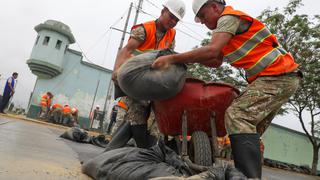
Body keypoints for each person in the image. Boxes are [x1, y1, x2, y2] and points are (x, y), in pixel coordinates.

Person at [151, 0, 301, 178]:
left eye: (203, 17)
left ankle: (245, 177)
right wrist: (186, 61)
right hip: (283, 78)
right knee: (250, 129)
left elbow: (212, 51)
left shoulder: (228, 17)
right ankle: (251, 175)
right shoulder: (224, 30)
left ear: (214, 7)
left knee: (237, 115)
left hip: (277, 75)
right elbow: (216, 61)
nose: (204, 23)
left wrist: (173, 59)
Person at [108, 0, 186, 150]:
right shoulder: (144, 30)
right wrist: (116, 71)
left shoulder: (172, 34)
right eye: (171, 17)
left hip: (151, 80)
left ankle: (114, 151)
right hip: (134, 77)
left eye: (176, 20)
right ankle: (145, 151)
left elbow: (167, 57)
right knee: (138, 115)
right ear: (163, 11)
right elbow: (126, 50)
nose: (173, 22)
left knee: (145, 120)